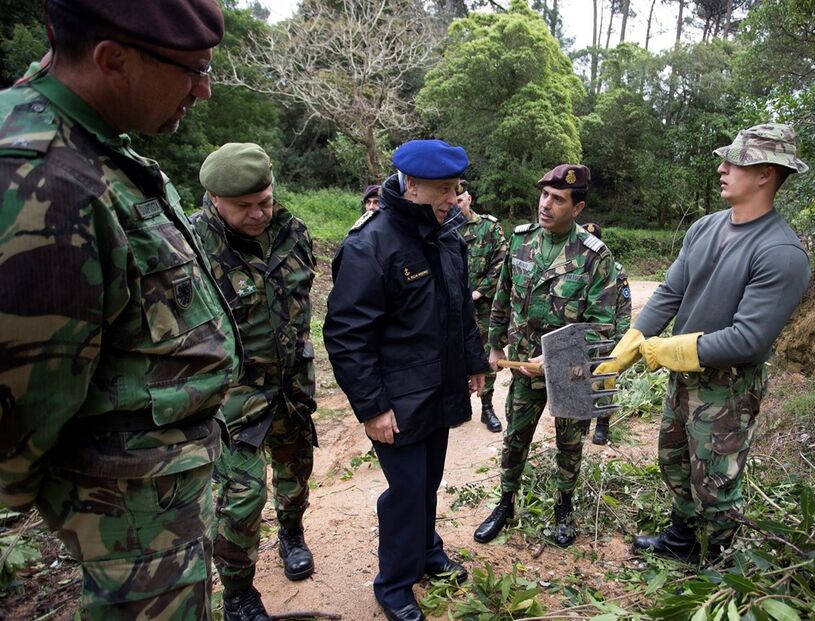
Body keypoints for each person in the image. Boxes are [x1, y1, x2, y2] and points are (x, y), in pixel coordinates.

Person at [0, 1, 238, 618]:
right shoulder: (44, 182)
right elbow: (24, 403)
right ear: (114, 61)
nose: (204, 91)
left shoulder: (93, 142)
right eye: (193, 70)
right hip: (125, 522)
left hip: (152, 504)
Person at [596, 123, 811, 562]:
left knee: (715, 479)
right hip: (683, 376)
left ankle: (715, 561)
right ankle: (682, 538)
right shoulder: (705, 228)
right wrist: (628, 348)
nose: (722, 168)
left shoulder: (781, 253)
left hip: (728, 387)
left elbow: (749, 339)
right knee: (675, 462)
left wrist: (668, 351)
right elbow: (669, 295)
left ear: (766, 173)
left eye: (735, 162)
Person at [323, 139, 489, 621]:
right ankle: (394, 583)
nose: (452, 198)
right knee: (407, 488)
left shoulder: (446, 235)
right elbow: (347, 334)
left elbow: (460, 312)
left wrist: (473, 364)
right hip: (397, 398)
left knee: (429, 481)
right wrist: (373, 407)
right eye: (442, 189)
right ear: (410, 185)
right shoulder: (370, 243)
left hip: (439, 387)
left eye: (456, 188)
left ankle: (427, 550)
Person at [191, 143, 318, 621]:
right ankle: (239, 594)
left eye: (265, 200)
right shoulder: (192, 243)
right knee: (243, 498)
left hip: (291, 386)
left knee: (295, 477)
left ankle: (291, 534)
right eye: (245, 206)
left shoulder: (293, 230)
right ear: (214, 198)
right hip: (231, 394)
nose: (259, 213)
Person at [473, 165, 619, 548]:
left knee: (569, 445)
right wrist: (494, 344)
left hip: (569, 372)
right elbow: (502, 297)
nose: (546, 205)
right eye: (544, 196)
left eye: (558, 199)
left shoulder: (595, 257)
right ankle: (505, 504)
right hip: (522, 366)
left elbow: (602, 326)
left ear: (578, 207)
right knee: (515, 439)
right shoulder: (521, 242)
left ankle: (564, 508)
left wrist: (554, 357)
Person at [456, 182, 508, 432]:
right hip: (453, 308)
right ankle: (458, 404)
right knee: (452, 354)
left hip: (484, 305)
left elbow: (501, 261)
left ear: (469, 199)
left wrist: (479, 292)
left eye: (460, 201)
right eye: (452, 200)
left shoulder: (488, 227)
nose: (456, 205)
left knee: (487, 354)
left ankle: (487, 407)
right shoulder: (440, 226)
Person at [581, 222, 632, 445]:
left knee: (605, 379)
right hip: (582, 336)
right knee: (579, 378)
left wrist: (622, 340)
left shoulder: (617, 270)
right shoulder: (577, 266)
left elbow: (624, 307)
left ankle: (602, 424)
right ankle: (581, 420)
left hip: (606, 337)